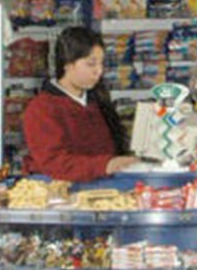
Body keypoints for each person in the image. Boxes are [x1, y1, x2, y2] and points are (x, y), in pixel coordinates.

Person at [22, 27, 138, 181]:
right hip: (59, 192)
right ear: (68, 64)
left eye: (102, 64)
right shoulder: (41, 109)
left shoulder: (97, 101)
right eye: (91, 64)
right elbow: (54, 163)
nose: (99, 71)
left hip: (101, 188)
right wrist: (106, 165)